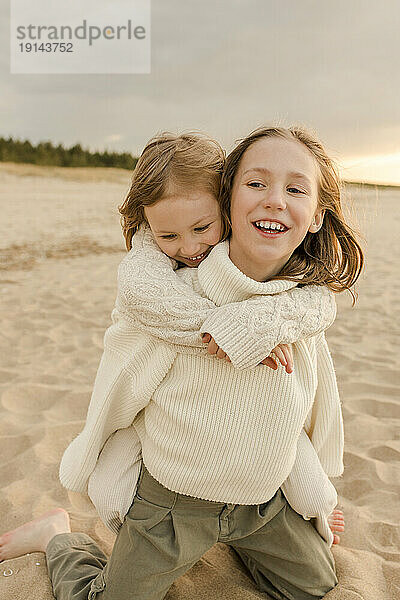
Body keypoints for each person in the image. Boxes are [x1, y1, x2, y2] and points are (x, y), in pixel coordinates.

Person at [0, 127, 361, 600]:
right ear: (228, 199)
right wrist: (221, 331)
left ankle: (236, 542)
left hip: (261, 504)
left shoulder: (296, 311)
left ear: (316, 215)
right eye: (256, 183)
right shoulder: (171, 296)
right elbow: (128, 368)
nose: (275, 199)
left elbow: (292, 418)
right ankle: (56, 538)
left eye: (295, 189)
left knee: (319, 587)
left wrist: (316, 498)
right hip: (172, 506)